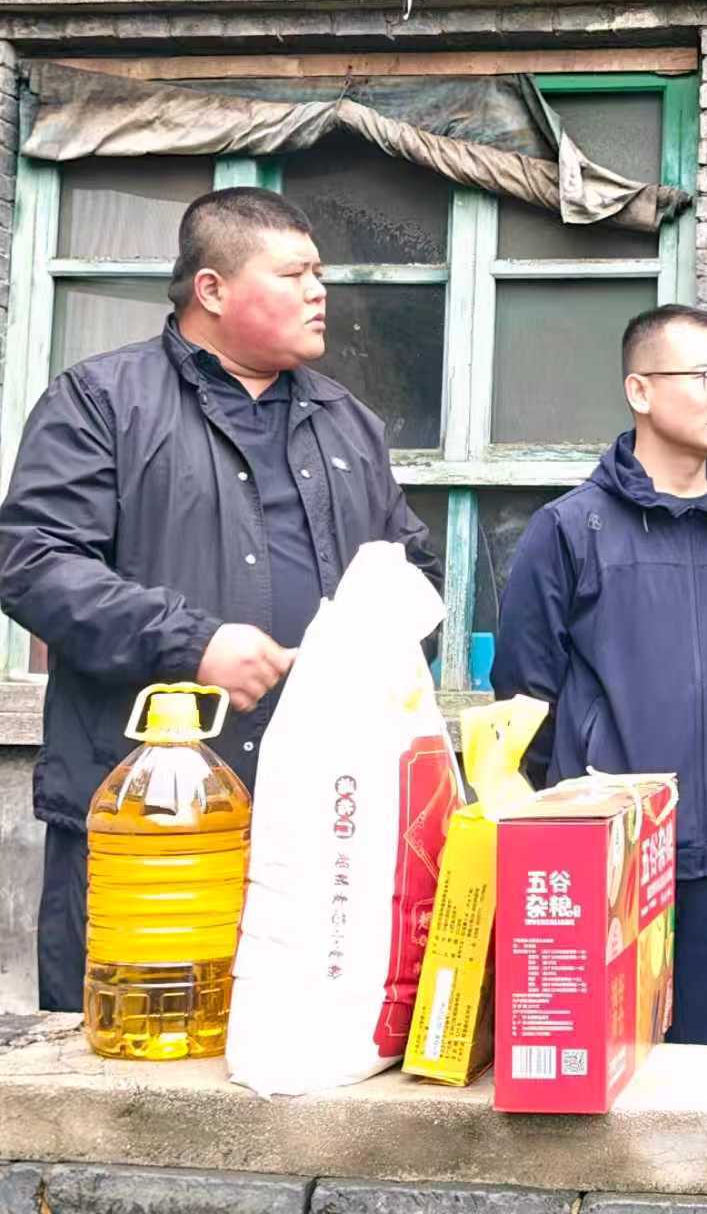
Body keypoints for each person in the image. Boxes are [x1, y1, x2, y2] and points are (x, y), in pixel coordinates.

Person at [0, 187, 442, 1013]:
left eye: (319, 273)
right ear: (212, 289)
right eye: (295, 273)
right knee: (136, 1056)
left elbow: (412, 568)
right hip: (151, 822)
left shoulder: (347, 423)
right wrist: (192, 643)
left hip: (319, 819)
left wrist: (370, 642)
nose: (320, 291)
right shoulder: (103, 400)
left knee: (301, 1050)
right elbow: (34, 561)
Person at [492, 304, 707, 1046]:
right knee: (602, 1065)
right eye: (706, 376)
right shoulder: (570, 528)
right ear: (640, 390)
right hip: (605, 844)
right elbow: (524, 697)